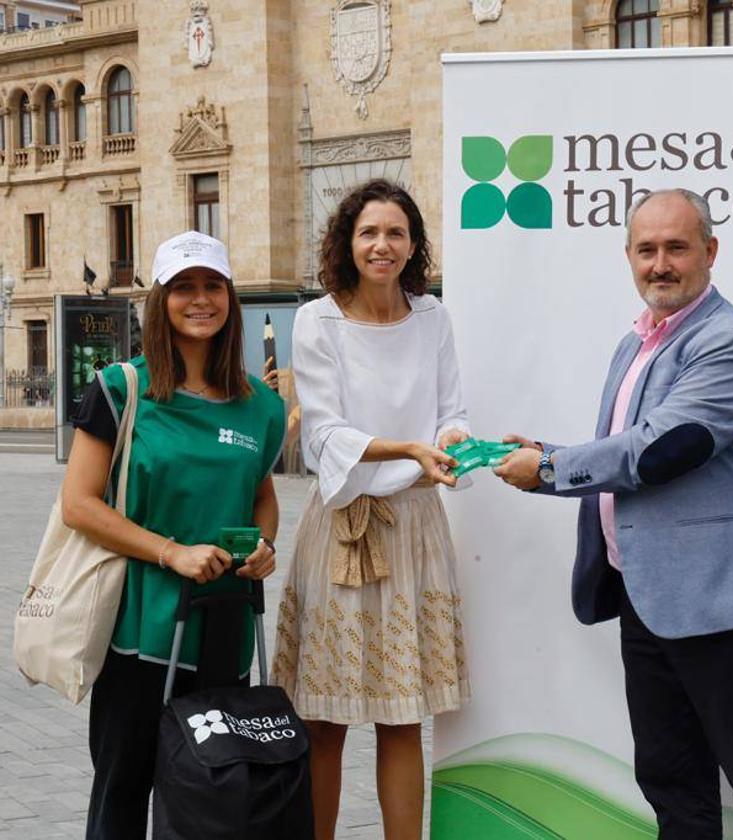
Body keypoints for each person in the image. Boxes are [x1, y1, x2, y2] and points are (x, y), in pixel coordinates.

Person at [494, 189, 733, 839]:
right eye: (647, 249)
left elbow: (665, 448)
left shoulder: (730, 339)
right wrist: (544, 453)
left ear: (710, 251)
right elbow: (634, 443)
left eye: (676, 247)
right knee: (674, 789)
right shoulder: (637, 341)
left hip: (718, 603)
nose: (660, 263)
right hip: (647, 595)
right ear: (629, 256)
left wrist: (553, 470)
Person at [62, 231, 285, 840]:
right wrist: (171, 552)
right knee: (123, 793)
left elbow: (261, 495)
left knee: (213, 799)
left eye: (213, 285)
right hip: (139, 632)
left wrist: (263, 547)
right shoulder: (120, 389)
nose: (200, 299)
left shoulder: (260, 406)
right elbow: (79, 505)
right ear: (159, 300)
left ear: (230, 299)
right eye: (183, 287)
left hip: (224, 633)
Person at [270, 179, 466, 840]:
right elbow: (324, 435)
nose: (382, 246)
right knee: (323, 719)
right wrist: (408, 448)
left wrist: (454, 445)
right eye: (369, 233)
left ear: (413, 246)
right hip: (344, 528)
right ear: (348, 243)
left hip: (415, 527)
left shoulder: (433, 317)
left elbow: (451, 413)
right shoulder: (317, 321)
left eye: (396, 234)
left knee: (401, 714)